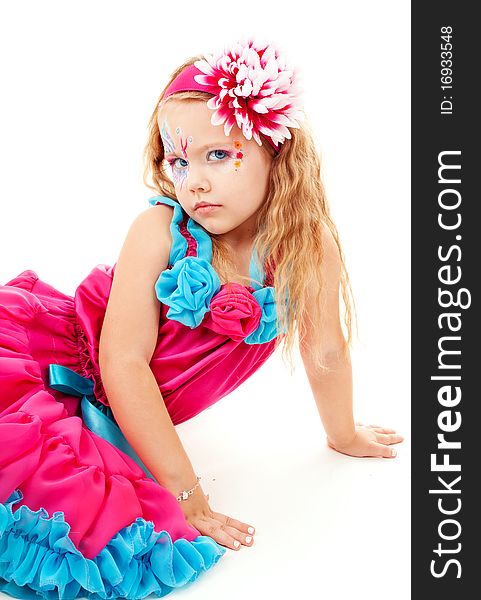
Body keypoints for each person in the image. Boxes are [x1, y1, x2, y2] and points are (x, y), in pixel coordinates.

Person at [0, 38, 403, 599]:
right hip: (69, 382)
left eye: (218, 155)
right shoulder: (160, 234)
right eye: (180, 160)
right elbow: (122, 363)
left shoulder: (308, 248)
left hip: (133, 411)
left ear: (276, 153)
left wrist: (343, 433)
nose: (194, 181)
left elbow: (326, 351)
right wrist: (187, 492)